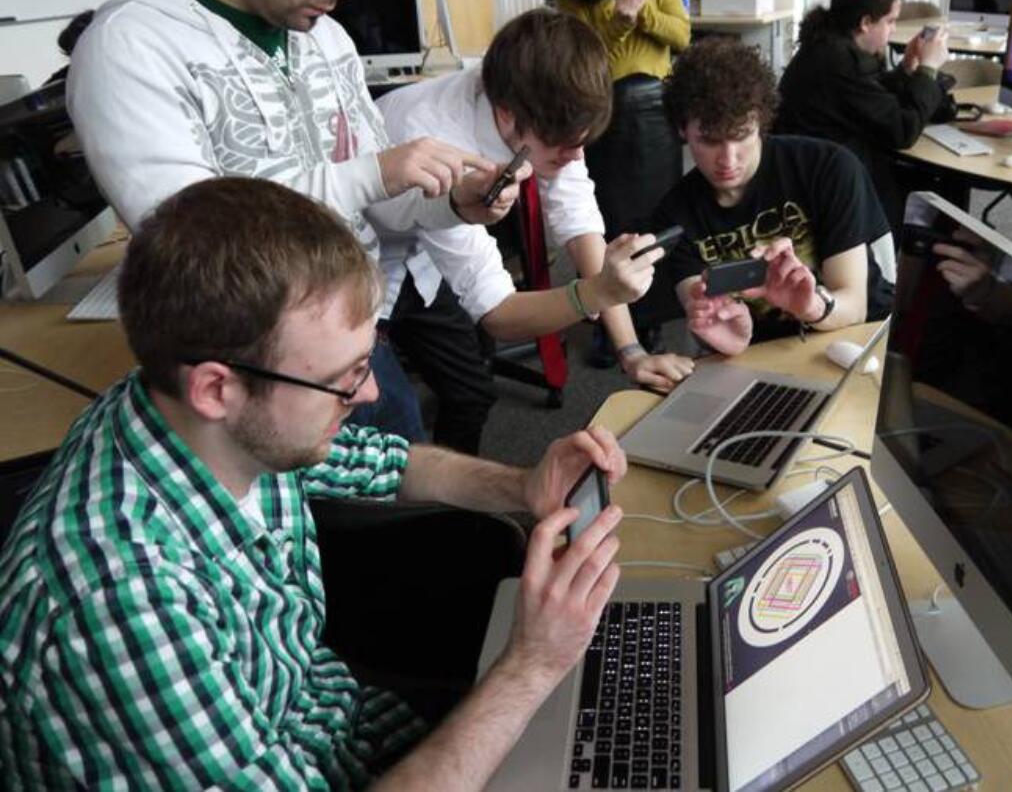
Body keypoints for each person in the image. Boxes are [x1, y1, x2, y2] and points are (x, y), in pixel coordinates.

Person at [0, 177, 625, 789]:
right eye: (346, 377)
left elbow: (390, 463)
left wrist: (524, 486)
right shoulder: (125, 604)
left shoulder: (208, 419)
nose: (374, 392)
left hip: (344, 727)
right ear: (218, 388)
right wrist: (530, 668)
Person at [66, 0, 512, 443]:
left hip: (360, 350)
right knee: (303, 530)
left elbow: (377, 206)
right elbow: (190, 242)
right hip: (252, 387)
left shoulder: (325, 40)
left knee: (407, 517)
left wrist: (447, 201)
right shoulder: (132, 46)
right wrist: (370, 174)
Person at [372, 9, 695, 455]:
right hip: (355, 266)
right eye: (564, 148)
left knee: (470, 392)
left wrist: (632, 352)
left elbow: (578, 220)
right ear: (506, 115)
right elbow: (498, 313)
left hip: (419, 260)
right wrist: (592, 294)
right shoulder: (433, 137)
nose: (575, 155)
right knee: (389, 431)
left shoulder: (547, 114)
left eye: (581, 143)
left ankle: (450, 509)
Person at [654, 38, 893, 356]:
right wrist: (724, 334)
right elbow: (702, 311)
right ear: (683, 130)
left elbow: (855, 307)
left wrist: (811, 306)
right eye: (710, 141)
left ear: (761, 121)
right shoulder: (676, 215)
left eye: (741, 136)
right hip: (764, 357)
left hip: (858, 339)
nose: (728, 159)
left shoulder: (826, 168)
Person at [547, 0, 690, 363]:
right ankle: (613, 322)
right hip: (602, 106)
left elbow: (682, 35)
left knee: (653, 219)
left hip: (653, 106)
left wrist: (643, 12)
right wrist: (618, 18)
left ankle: (649, 321)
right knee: (606, 218)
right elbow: (584, 59)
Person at [775, 0, 951, 234]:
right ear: (866, 22)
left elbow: (869, 95)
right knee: (938, 186)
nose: (893, 30)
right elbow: (903, 131)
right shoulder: (839, 62)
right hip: (827, 184)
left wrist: (906, 68)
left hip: (817, 168)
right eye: (890, 21)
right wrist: (928, 69)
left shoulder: (831, 45)